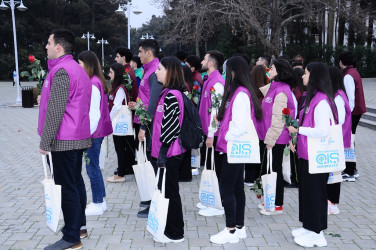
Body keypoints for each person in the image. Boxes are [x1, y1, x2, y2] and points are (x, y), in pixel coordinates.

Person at [39, 29, 92, 250]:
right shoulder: (77, 70)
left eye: (49, 43)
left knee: (67, 187)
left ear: (58, 47)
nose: (46, 47)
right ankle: (78, 226)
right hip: (76, 136)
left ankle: (71, 237)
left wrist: (45, 141)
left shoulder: (62, 71)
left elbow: (55, 110)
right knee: (75, 182)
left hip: (64, 139)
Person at [210, 56, 263, 244]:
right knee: (236, 188)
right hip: (234, 147)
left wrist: (225, 135)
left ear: (234, 71)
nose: (225, 74)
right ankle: (239, 227)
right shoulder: (239, 92)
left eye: (227, 70)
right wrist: (223, 123)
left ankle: (230, 229)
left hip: (232, 147)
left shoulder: (240, 94)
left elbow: (239, 126)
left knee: (227, 189)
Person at [288, 62, 338, 248]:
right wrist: (296, 138)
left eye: (306, 73)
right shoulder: (312, 97)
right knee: (307, 193)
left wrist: (299, 130)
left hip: (316, 156)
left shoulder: (322, 101)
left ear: (315, 76)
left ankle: (317, 233)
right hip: (306, 154)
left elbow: (323, 130)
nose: (302, 76)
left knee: (316, 194)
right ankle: (308, 226)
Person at [152, 56, 186, 243]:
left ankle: (176, 233)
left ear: (169, 72)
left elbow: (171, 127)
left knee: (170, 192)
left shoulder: (173, 95)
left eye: (160, 69)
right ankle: (168, 227)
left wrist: (163, 152)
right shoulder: (166, 93)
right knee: (166, 191)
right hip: (164, 151)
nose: (156, 72)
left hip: (170, 152)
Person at [128, 39, 163, 218]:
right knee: (148, 162)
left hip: (152, 127)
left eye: (140, 52)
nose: (138, 55)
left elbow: (154, 103)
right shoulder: (148, 71)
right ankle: (150, 198)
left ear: (149, 53)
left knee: (152, 164)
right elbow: (146, 99)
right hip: (148, 123)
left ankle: (154, 203)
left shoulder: (155, 72)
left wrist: (143, 125)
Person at [258, 59, 296, 216]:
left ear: (279, 71)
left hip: (276, 138)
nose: (269, 70)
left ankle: (277, 204)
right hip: (270, 137)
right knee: (270, 170)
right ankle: (270, 200)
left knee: (275, 170)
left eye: (271, 68)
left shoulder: (281, 91)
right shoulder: (274, 87)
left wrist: (271, 140)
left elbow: (279, 119)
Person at [78, 51, 113, 217]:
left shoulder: (92, 83)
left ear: (87, 64)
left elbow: (93, 114)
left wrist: (87, 136)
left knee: (92, 168)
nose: (78, 67)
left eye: (80, 64)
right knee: (94, 168)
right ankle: (101, 200)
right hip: (96, 131)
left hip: (92, 133)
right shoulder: (97, 81)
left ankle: (98, 202)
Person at [197, 50, 225, 217]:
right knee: (209, 167)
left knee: (215, 169)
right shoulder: (209, 80)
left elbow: (216, 111)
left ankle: (218, 205)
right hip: (208, 131)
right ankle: (211, 200)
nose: (202, 61)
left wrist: (210, 134)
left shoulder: (217, 83)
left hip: (213, 134)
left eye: (204, 59)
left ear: (211, 63)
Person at [327, 66, 352, 215]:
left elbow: (340, 119)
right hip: (336, 139)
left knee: (334, 173)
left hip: (336, 139)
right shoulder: (338, 94)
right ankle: (331, 201)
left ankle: (333, 202)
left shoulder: (337, 96)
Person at [339, 51, 367, 182]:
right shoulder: (353, 72)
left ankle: (349, 171)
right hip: (357, 110)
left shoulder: (348, 76)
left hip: (352, 112)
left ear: (342, 62)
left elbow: (350, 98)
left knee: (349, 139)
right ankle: (352, 168)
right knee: (351, 139)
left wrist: (346, 114)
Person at [106, 63, 135, 183]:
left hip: (119, 123)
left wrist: (108, 119)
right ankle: (121, 172)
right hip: (119, 123)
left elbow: (117, 107)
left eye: (111, 72)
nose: (109, 74)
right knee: (120, 149)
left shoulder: (121, 88)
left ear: (117, 74)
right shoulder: (118, 87)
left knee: (120, 149)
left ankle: (121, 174)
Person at [244, 65, 268, 187]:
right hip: (263, 128)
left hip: (251, 127)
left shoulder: (248, 91)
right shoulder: (266, 93)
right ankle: (260, 176)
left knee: (251, 151)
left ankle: (249, 177)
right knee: (262, 152)